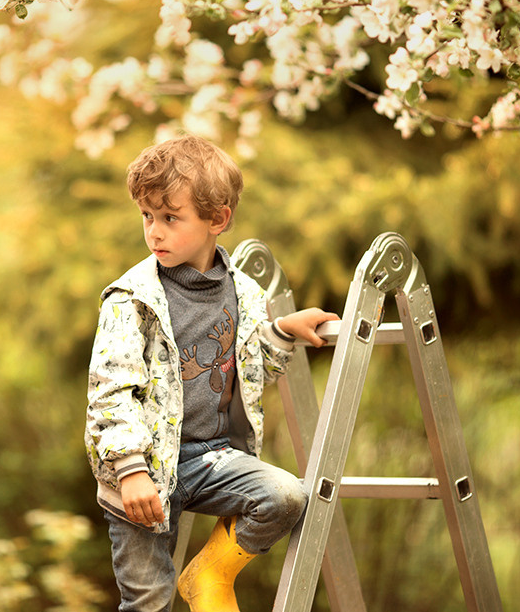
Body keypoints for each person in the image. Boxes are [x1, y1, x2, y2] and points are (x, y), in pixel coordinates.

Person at [84, 134, 339, 612]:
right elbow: (110, 392)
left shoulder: (243, 292)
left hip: (208, 460)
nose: (154, 232)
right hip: (142, 472)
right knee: (148, 602)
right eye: (147, 216)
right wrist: (131, 470)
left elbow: (249, 370)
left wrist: (282, 330)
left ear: (217, 219)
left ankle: (211, 575)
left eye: (170, 218)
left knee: (286, 496)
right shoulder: (130, 300)